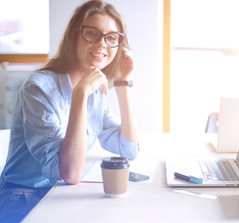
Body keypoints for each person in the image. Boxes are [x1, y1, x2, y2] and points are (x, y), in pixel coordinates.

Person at [0, 0, 139, 189]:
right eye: (91, 33)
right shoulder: (38, 88)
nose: (101, 43)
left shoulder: (96, 92)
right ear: (74, 36)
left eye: (112, 37)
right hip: (22, 197)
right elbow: (70, 173)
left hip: (60, 196)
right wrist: (80, 94)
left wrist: (122, 84)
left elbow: (128, 149)